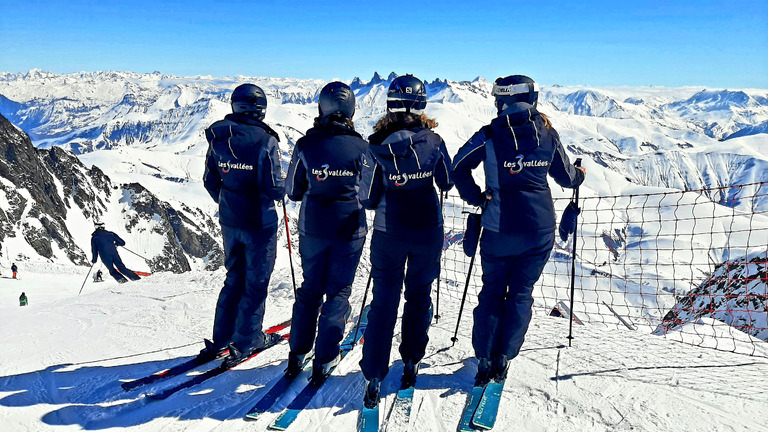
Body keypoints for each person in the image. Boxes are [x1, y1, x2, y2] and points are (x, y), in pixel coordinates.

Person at [452, 75, 586, 386]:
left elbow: (458, 166)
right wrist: (580, 174)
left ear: (502, 101)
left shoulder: (488, 135)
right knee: (521, 293)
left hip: (498, 228)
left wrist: (477, 198)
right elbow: (567, 179)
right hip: (538, 229)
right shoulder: (547, 134)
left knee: (492, 292)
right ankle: (503, 358)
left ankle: (484, 357)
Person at [358, 74, 453, 408]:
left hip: (389, 233)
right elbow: (447, 180)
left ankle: (373, 374)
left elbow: (368, 199)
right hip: (427, 230)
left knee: (384, 302)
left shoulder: (375, 145)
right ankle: (411, 361)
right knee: (419, 296)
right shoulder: (434, 141)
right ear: (422, 104)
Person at [284, 81, 369, 383]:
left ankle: (297, 353)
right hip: (349, 229)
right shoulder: (362, 147)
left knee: (310, 289)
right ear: (350, 110)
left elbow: (293, 191)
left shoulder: (305, 145)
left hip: (313, 228)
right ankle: (325, 357)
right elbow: (370, 195)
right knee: (338, 291)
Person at [202, 83, 285, 367]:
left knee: (233, 278)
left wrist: (227, 202)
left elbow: (210, 180)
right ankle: (248, 340)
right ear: (261, 110)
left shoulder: (219, 136)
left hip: (230, 220)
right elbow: (274, 188)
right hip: (259, 222)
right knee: (256, 282)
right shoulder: (266, 140)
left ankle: (221, 339)